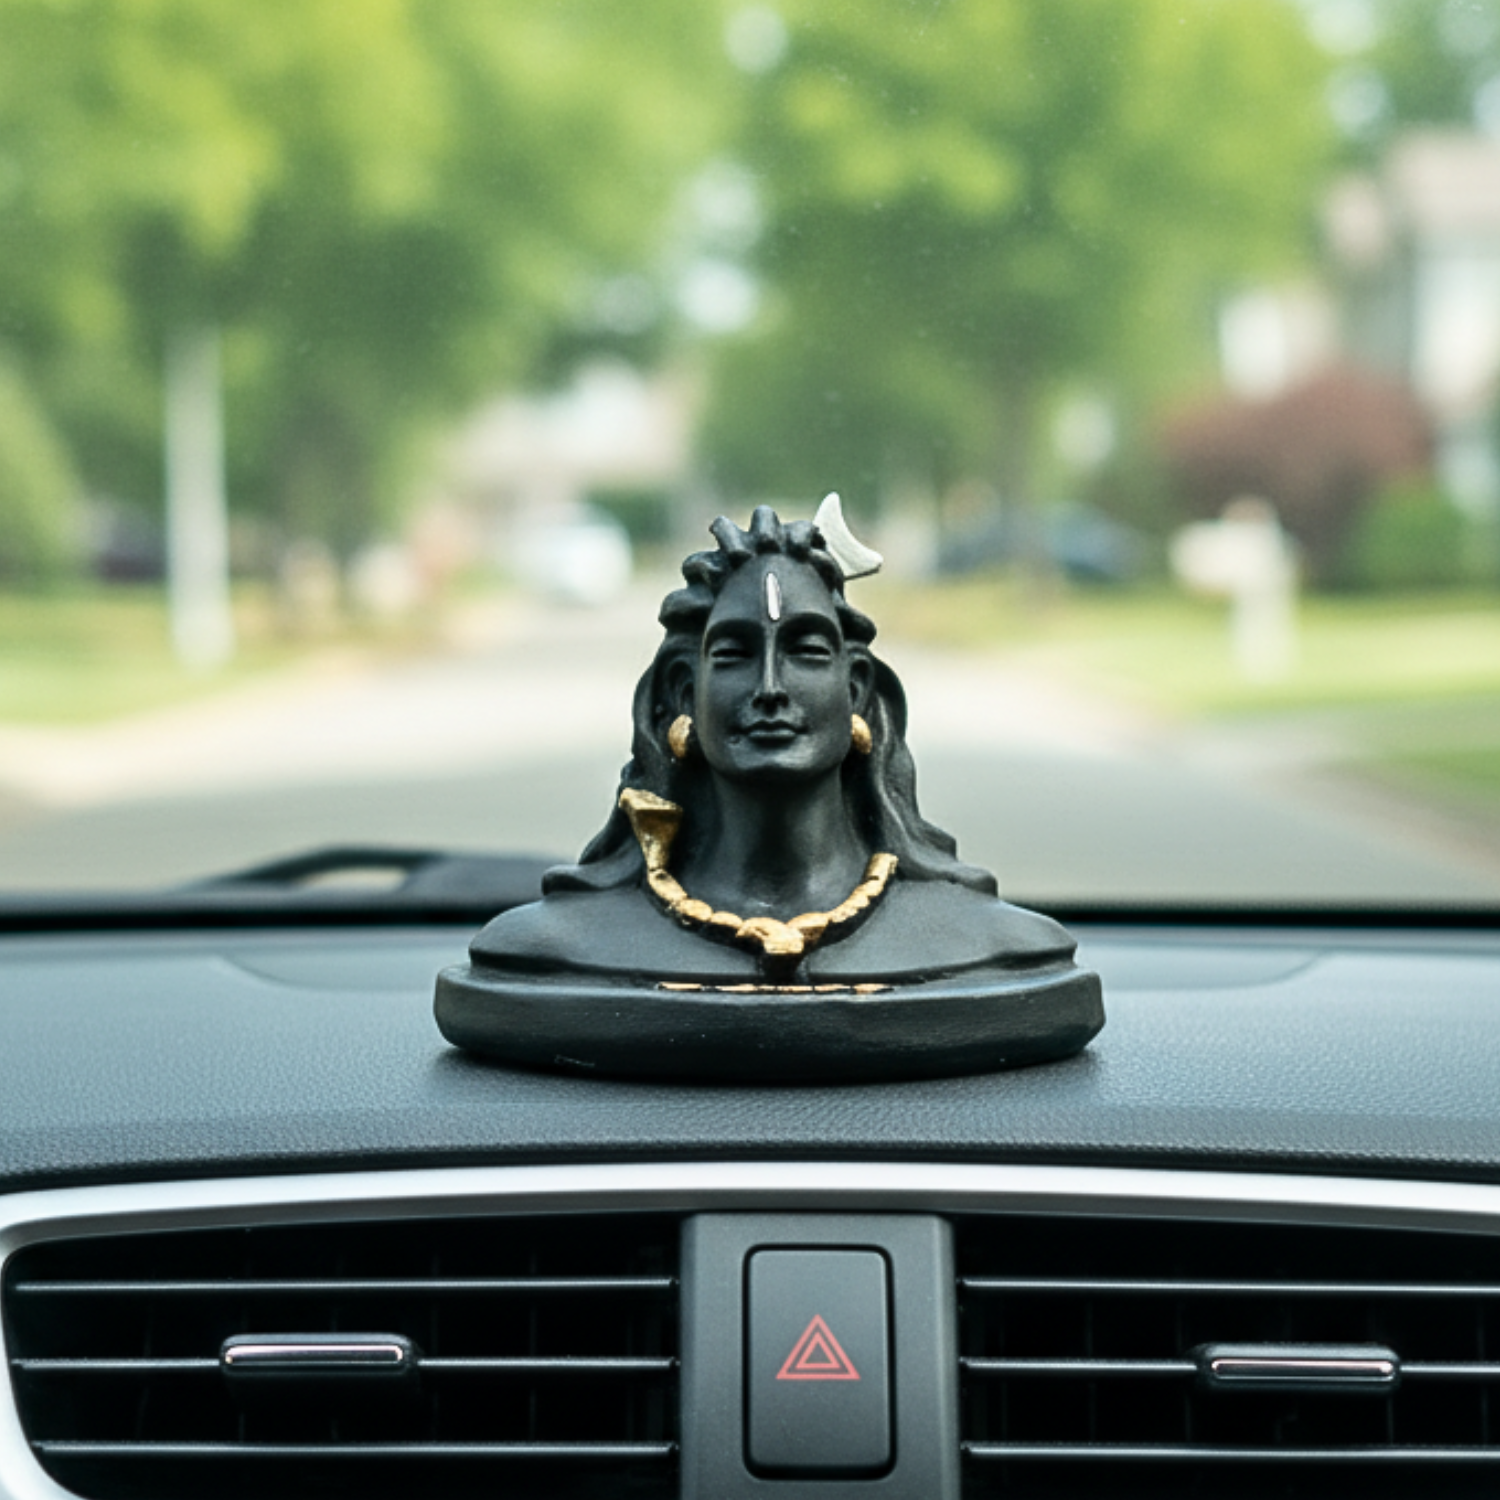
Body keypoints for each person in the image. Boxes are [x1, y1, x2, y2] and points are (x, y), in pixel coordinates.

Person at [466, 502, 1077, 988]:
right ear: (683, 694)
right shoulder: (560, 951)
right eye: (732, 654)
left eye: (808, 652)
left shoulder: (986, 949)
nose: (769, 688)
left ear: (858, 692)